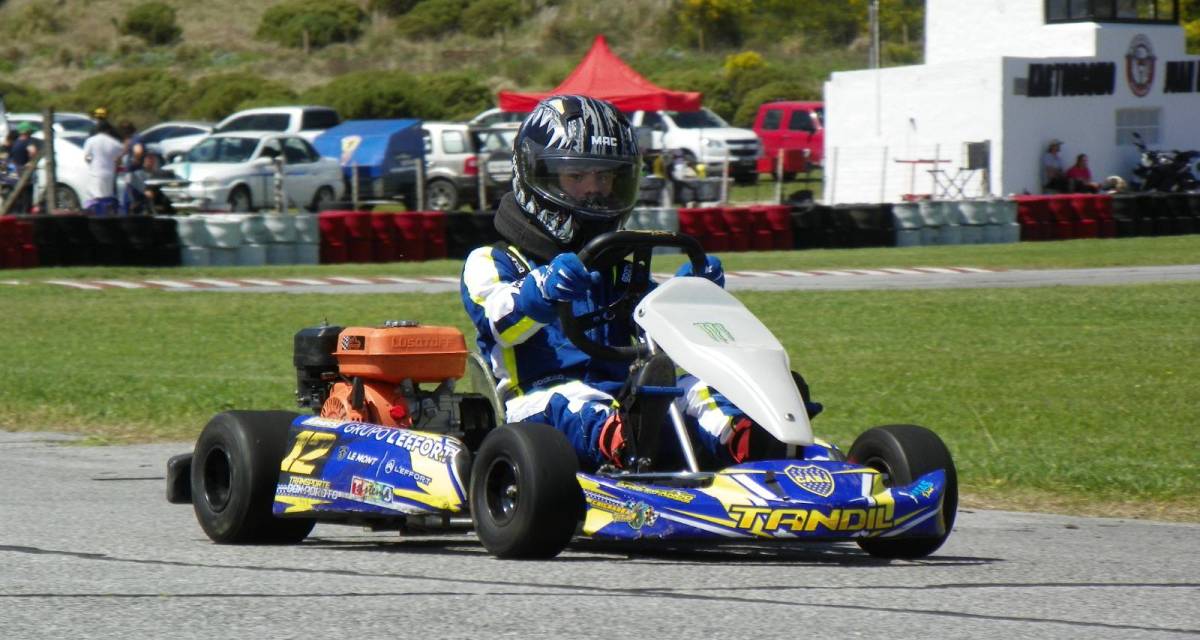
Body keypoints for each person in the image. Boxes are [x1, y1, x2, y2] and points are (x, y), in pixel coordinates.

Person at [459, 95, 819, 472]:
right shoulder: (493, 260)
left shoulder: (615, 267)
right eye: (577, 176)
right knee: (574, 399)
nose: (594, 190)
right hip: (536, 404)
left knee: (696, 387)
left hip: (630, 397)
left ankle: (750, 439)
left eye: (604, 176)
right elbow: (501, 323)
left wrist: (689, 300)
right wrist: (543, 288)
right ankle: (624, 440)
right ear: (539, 174)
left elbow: (659, 338)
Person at [82, 120, 125, 215]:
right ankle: (108, 215)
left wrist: (91, 164)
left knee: (96, 197)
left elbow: (87, 157)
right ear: (108, 130)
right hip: (110, 173)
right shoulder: (115, 142)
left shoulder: (91, 141)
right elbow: (120, 159)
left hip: (96, 173)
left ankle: (99, 216)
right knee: (107, 196)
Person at [7, 122, 39, 213]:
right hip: (25, 175)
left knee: (17, 199)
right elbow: (33, 151)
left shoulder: (16, 142)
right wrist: (31, 161)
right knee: (27, 198)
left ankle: (17, 213)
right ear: (27, 132)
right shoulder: (27, 141)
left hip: (15, 174)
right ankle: (26, 214)